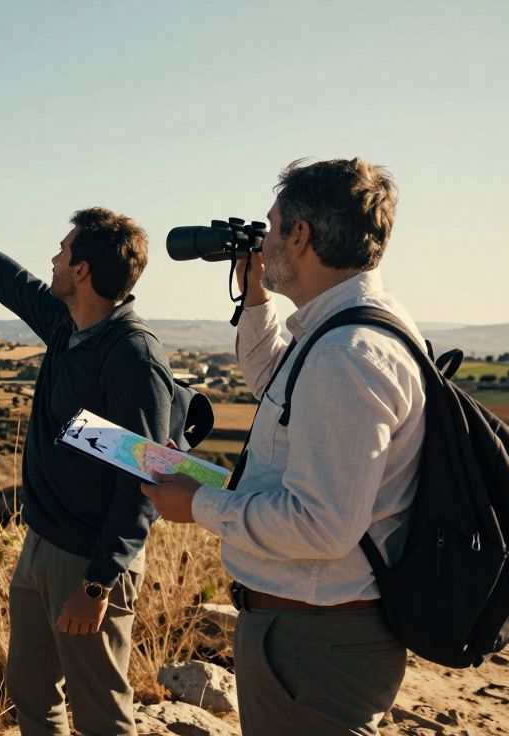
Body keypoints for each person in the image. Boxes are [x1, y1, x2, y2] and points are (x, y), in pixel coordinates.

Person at [141, 158, 424, 735]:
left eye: (271, 228)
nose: (262, 240)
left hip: (316, 639)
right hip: (310, 628)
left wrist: (196, 505)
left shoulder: (348, 354)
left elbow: (322, 525)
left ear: (301, 235)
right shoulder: (345, 327)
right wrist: (254, 297)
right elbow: (276, 380)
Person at [0, 195, 173, 735]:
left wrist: (97, 585)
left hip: (90, 561)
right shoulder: (66, 326)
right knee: (30, 689)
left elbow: (143, 480)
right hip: (41, 546)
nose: (51, 260)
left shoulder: (132, 357)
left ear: (83, 269)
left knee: (99, 708)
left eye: (61, 250)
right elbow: (13, 282)